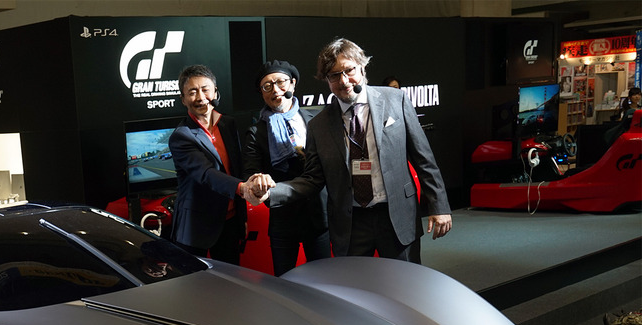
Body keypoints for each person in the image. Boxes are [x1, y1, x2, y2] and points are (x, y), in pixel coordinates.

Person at [247, 38, 451, 264]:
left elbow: (424, 159)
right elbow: (312, 179)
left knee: (405, 288)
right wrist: (273, 192)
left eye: (349, 70)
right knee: (356, 290)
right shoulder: (319, 124)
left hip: (396, 215)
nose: (343, 81)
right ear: (326, 80)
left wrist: (439, 205)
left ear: (362, 67)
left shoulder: (396, 99)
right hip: (351, 224)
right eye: (334, 75)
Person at [242, 59, 330, 275]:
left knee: (326, 280)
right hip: (283, 219)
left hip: (319, 214)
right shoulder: (256, 132)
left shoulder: (317, 119)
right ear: (262, 93)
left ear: (292, 84)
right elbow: (250, 173)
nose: (276, 90)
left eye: (281, 82)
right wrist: (257, 181)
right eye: (267, 86)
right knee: (284, 281)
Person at [168, 64, 255, 264]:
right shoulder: (181, 137)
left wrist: (242, 217)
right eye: (192, 92)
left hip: (230, 222)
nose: (200, 97)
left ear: (215, 91)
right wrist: (243, 189)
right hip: (196, 228)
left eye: (205, 89)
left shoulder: (228, 124)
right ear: (183, 99)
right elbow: (206, 174)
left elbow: (236, 169)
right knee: (193, 288)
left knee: (229, 285)